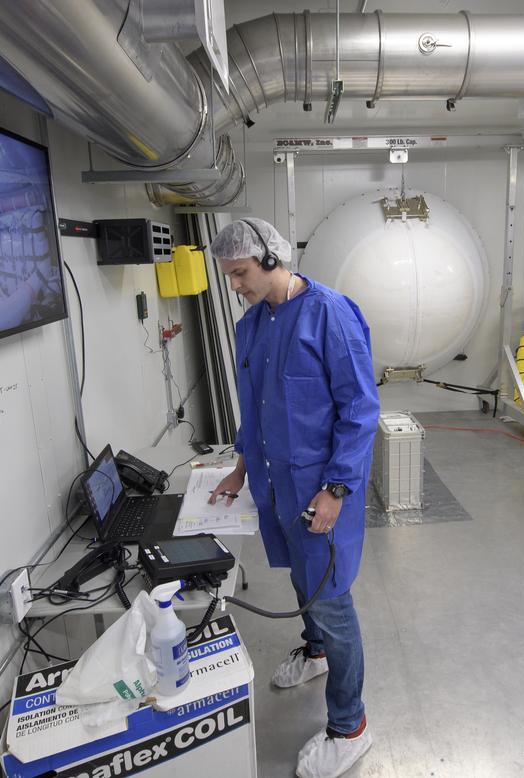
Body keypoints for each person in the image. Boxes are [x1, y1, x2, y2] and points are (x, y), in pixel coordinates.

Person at [207, 217, 380, 778]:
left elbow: (360, 412)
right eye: (229, 276)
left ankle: (349, 726)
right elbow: (256, 410)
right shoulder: (252, 324)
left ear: (272, 260)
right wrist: (239, 469)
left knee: (331, 599)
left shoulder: (330, 314)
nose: (235, 286)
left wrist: (334, 491)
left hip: (321, 489)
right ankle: (316, 651)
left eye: (240, 274)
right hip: (275, 484)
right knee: (301, 579)